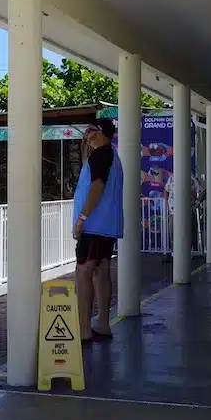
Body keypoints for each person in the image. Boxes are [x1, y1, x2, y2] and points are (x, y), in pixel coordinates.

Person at [72, 118, 124, 343]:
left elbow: (97, 186)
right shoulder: (114, 156)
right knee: (102, 272)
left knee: (83, 272)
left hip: (94, 225)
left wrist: (82, 218)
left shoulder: (100, 155)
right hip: (108, 226)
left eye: (91, 131)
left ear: (101, 133)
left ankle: (84, 329)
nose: (87, 136)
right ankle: (103, 323)